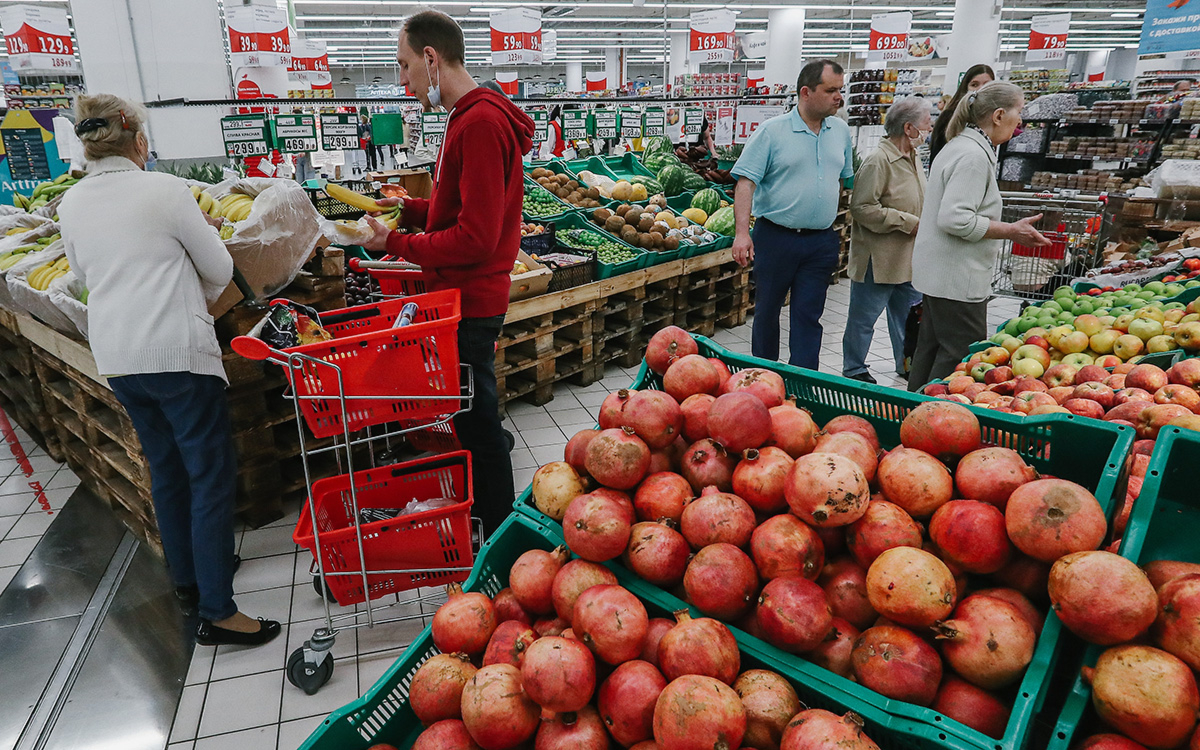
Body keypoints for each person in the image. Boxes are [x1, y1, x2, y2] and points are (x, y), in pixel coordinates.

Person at [58, 94, 280, 647]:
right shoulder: (164, 190)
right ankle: (219, 611)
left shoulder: (71, 204)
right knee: (208, 476)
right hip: (176, 356)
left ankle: (188, 582)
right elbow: (220, 267)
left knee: (167, 470)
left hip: (121, 359)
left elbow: (84, 276)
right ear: (137, 140)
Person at [360, 10, 532, 536]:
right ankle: (488, 523)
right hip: (462, 296)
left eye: (405, 65)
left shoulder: (479, 123)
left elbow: (476, 237)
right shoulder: (465, 117)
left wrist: (397, 243)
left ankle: (497, 536)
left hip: (471, 301)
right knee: (470, 415)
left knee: (478, 424)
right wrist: (409, 210)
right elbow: (462, 211)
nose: (403, 80)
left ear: (431, 59)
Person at [907, 82, 1050, 390]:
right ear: (999, 115)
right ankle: (934, 420)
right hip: (957, 278)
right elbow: (954, 218)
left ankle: (912, 413)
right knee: (960, 355)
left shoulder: (959, 145)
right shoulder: (972, 155)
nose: (1021, 121)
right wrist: (1012, 231)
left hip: (941, 275)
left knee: (930, 349)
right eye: (1019, 112)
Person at [730, 59, 854, 370]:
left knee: (809, 315)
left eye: (841, 89)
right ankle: (764, 377)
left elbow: (843, 179)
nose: (839, 96)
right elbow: (746, 182)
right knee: (768, 310)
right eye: (831, 90)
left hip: (820, 242)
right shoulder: (772, 132)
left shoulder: (840, 131)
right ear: (806, 92)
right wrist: (742, 233)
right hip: (776, 238)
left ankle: (804, 382)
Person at [842, 96, 932, 384]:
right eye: (926, 125)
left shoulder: (913, 158)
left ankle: (906, 364)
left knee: (908, 319)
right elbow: (862, 208)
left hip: (908, 257)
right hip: (878, 259)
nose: (929, 129)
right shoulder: (878, 161)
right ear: (909, 128)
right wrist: (907, 222)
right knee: (863, 319)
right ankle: (854, 368)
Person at [929, 64, 995, 163]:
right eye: (974, 85)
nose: (980, 89)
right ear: (965, 87)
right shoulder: (950, 115)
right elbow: (937, 153)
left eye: (986, 84)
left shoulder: (994, 116)